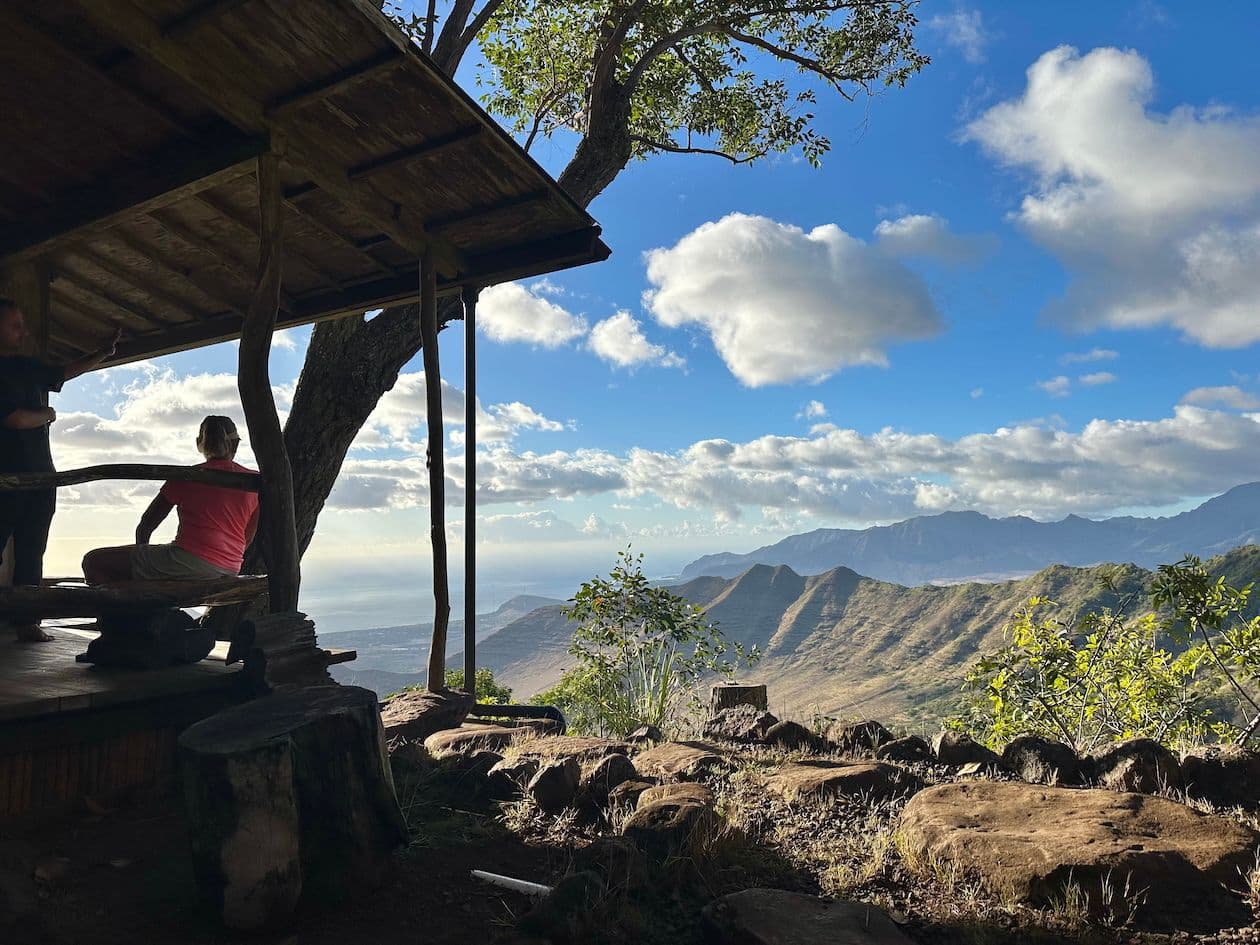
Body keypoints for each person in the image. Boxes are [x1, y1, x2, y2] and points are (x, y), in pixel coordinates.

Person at [0, 298, 120, 642]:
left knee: (32, 550)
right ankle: (25, 621)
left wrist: (103, 353)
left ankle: (27, 621)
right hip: (7, 479)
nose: (23, 331)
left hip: (41, 478)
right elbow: (15, 420)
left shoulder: (27, 367)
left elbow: (65, 372)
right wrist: (48, 415)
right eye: (15, 325)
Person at [82, 416, 260, 586]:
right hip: (231, 567)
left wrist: (141, 563)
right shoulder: (254, 482)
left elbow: (146, 525)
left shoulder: (187, 476)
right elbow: (248, 538)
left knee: (93, 561)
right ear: (236, 444)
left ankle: (132, 605)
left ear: (199, 443)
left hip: (187, 561)